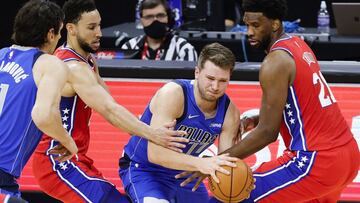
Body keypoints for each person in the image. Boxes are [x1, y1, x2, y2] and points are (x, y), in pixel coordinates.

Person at [179, 0, 360, 202]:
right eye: (246, 24)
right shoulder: (298, 44)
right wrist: (260, 117)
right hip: (348, 156)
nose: (249, 32)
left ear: (275, 24)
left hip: (316, 161)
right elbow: (305, 105)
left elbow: (267, 133)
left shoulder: (275, 61)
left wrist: (216, 162)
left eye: (256, 25)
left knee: (232, 194)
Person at [32, 0, 188, 202]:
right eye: (91, 27)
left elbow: (111, 102)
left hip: (77, 158)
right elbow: (110, 110)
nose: (99, 33)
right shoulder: (73, 68)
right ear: (70, 29)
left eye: (99, 25)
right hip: (56, 162)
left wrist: (148, 125)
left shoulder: (87, 61)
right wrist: (153, 134)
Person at [119, 43, 241, 203]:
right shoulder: (174, 94)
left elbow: (224, 163)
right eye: (210, 78)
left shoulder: (229, 112)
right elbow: (156, 154)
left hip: (184, 174)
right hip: (144, 169)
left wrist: (236, 180)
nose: (215, 87)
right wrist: (200, 163)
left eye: (222, 81)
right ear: (197, 72)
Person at [0, 0, 78, 201]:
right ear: (50, 34)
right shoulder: (48, 64)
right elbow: (42, 115)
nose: (60, 38)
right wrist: (67, 140)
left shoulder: (0, 55)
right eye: (60, 32)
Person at [121, 0, 198, 61]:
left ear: (168, 18)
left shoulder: (184, 49)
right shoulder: (129, 47)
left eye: (160, 16)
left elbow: (188, 80)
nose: (155, 21)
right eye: (149, 17)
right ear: (141, 21)